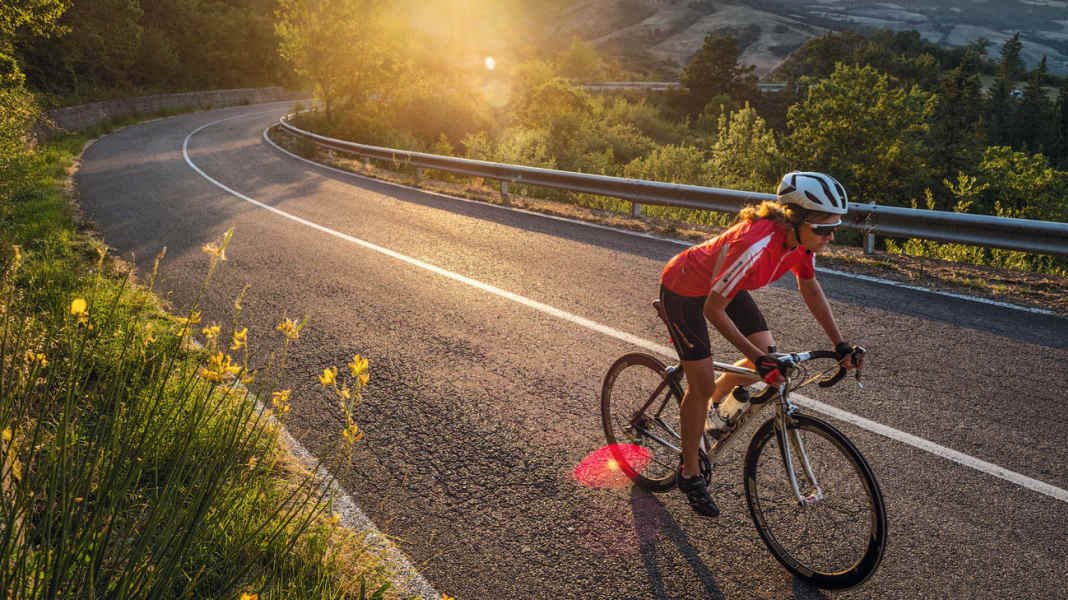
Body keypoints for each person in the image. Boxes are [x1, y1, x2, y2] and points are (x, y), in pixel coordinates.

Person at [658, 171, 863, 517]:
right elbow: (712, 308)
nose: (830, 237)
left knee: (767, 362)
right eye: (823, 230)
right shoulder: (757, 244)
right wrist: (757, 357)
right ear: (796, 220)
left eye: (835, 228)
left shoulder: (799, 242)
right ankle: (689, 471)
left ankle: (712, 409)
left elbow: (810, 289)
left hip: (724, 287)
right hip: (685, 290)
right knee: (703, 380)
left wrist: (839, 342)